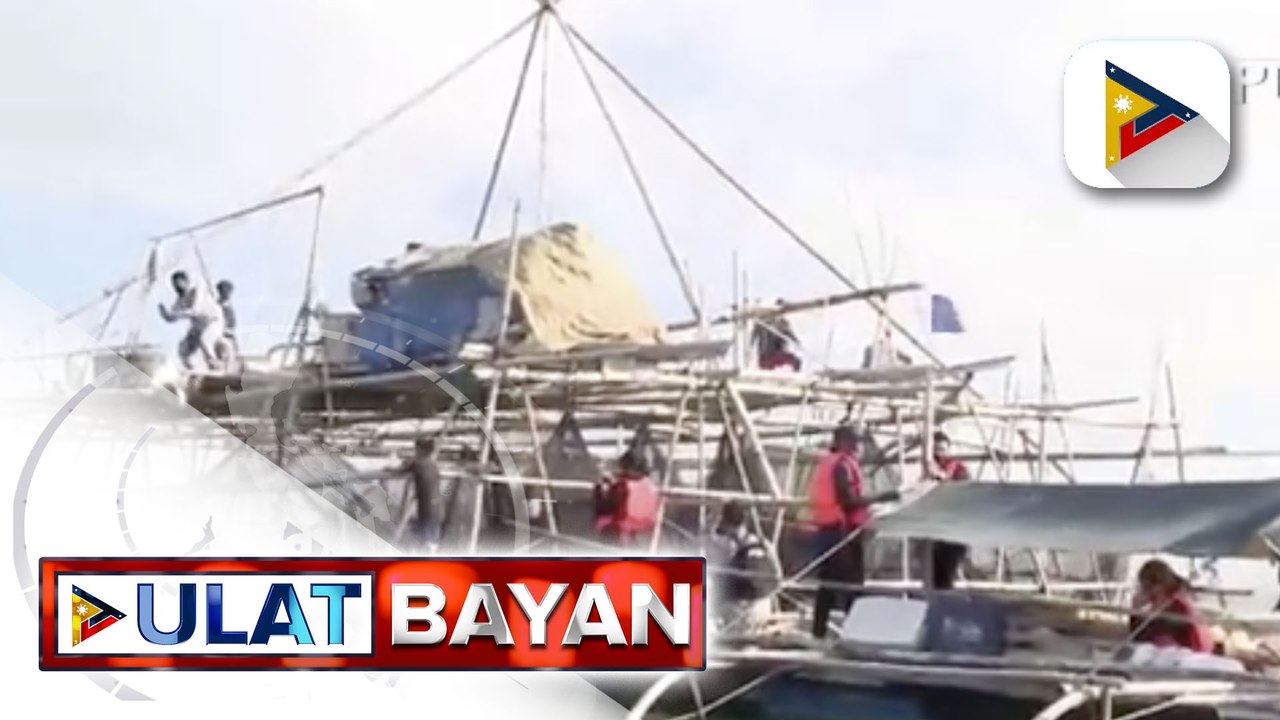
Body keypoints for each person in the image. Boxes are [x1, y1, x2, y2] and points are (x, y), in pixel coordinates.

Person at [807, 424, 883, 638]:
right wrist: (880, 498)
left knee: (828, 586)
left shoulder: (827, 463)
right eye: (856, 442)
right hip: (841, 532)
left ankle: (818, 634)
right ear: (844, 443)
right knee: (851, 586)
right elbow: (848, 501)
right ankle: (856, 635)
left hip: (826, 529)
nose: (860, 447)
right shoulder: (841, 465)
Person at [1129, 559, 1215, 654]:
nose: (1145, 593)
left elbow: (1142, 639)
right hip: (1187, 655)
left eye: (1146, 587)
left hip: (1186, 659)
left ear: (1159, 586)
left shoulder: (1177, 608)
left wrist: (1135, 611)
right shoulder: (1179, 599)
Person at [928, 431, 970, 590]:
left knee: (946, 573)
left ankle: (943, 605)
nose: (939, 454)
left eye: (942, 449)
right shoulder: (931, 468)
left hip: (955, 529)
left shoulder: (957, 468)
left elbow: (959, 487)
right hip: (937, 529)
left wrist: (938, 476)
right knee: (936, 574)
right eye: (936, 450)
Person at [157, 271, 223, 371]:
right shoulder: (180, 301)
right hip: (197, 326)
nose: (177, 288)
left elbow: (195, 310)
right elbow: (171, 318)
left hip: (213, 322)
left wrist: (173, 314)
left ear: (186, 282)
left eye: (179, 284)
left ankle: (215, 367)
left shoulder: (196, 291)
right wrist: (164, 313)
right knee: (182, 350)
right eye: (175, 286)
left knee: (204, 340)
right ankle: (192, 371)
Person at [593, 451, 660, 546]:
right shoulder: (651, 484)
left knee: (601, 518)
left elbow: (614, 507)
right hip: (648, 525)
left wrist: (599, 489)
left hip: (625, 527)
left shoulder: (623, 486)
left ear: (626, 467)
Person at [709, 501, 769, 605]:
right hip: (744, 602)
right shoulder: (756, 543)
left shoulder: (751, 549)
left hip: (742, 607)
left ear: (726, 523)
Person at [402, 437, 444, 550]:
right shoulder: (433, 464)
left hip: (426, 505)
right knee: (432, 535)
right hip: (436, 504)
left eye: (416, 449)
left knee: (424, 535)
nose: (415, 452)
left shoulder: (418, 464)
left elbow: (402, 469)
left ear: (420, 450)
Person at [214, 279, 239, 370]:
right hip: (219, 337)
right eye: (224, 291)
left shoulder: (228, 307)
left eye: (229, 291)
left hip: (230, 336)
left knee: (233, 359)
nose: (227, 294)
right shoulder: (215, 307)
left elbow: (232, 323)